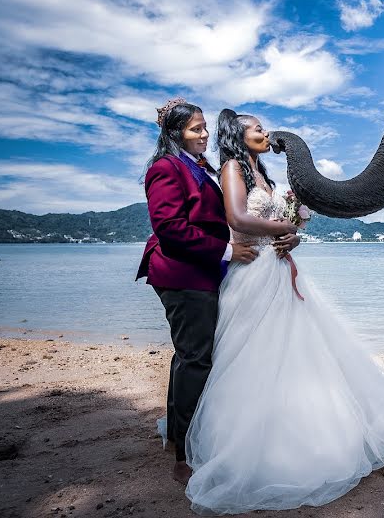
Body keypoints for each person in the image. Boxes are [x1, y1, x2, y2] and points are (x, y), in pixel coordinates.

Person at [182, 109, 384, 515]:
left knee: (300, 355)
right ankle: (254, 446)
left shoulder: (265, 177)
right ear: (239, 135)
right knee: (255, 359)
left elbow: (274, 219)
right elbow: (237, 218)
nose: (266, 134)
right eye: (258, 129)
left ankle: (313, 432)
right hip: (252, 273)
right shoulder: (232, 168)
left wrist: (293, 235)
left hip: (280, 269)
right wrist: (283, 230)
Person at [136, 98, 288, 484]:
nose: (205, 135)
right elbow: (170, 228)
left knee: (188, 356)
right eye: (195, 129)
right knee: (197, 358)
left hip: (205, 271)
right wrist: (226, 251)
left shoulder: (199, 166)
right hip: (181, 273)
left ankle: (177, 436)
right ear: (175, 133)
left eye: (205, 127)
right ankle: (185, 455)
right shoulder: (165, 167)